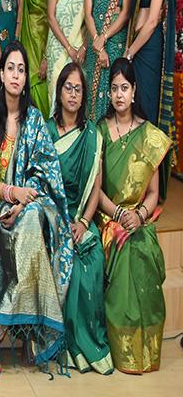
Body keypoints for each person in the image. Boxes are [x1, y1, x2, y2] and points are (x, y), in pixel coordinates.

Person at [0, 42, 72, 366]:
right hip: (0, 206)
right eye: (11, 68)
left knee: (33, 219)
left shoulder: (34, 120)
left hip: (32, 204)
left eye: (21, 69)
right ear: (2, 74)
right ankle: (28, 330)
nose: (17, 75)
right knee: (22, 222)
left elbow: (47, 174)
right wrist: (12, 196)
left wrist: (24, 199)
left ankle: (5, 312)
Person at [97, 58, 171, 374]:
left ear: (134, 90)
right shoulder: (100, 132)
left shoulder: (149, 135)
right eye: (114, 88)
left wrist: (139, 215)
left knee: (143, 248)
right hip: (108, 218)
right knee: (124, 246)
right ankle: (122, 348)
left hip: (138, 219)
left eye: (124, 88)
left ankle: (146, 351)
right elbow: (95, 190)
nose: (119, 95)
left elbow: (153, 192)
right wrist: (119, 215)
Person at [47, 62, 113, 374]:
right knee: (64, 260)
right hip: (52, 218)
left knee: (91, 257)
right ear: (59, 92)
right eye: (68, 88)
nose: (73, 94)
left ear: (84, 95)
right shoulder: (46, 132)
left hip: (81, 219)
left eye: (78, 89)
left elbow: (96, 187)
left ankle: (87, 346)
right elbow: (38, 184)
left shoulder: (91, 135)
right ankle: (60, 344)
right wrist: (59, 223)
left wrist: (84, 222)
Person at [126, 0, 177, 200]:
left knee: (146, 113)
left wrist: (131, 50)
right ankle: (138, 185)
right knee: (137, 113)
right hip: (138, 47)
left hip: (148, 49)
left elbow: (154, 17)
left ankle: (151, 191)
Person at [20, 0, 53, 118]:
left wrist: (46, 57)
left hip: (43, 45)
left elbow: (53, 19)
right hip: (27, 44)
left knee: (43, 99)